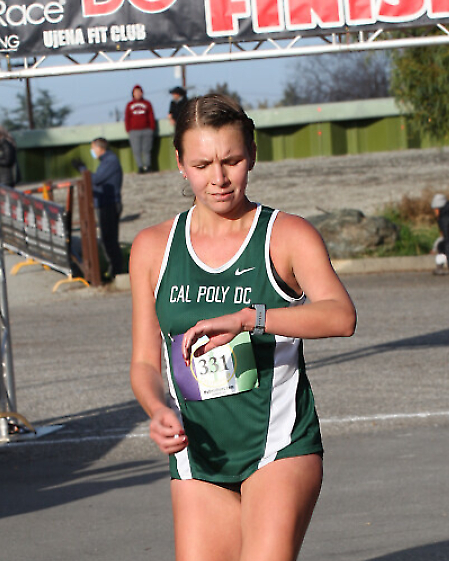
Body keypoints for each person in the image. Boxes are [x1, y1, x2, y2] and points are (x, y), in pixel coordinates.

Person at [130, 94, 357, 561]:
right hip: (199, 453)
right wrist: (156, 408)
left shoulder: (286, 234)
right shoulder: (153, 248)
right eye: (202, 165)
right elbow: (144, 362)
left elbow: (341, 315)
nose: (218, 178)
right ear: (180, 164)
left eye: (231, 160)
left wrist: (249, 319)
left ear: (251, 154)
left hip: (278, 446)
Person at [90, 138, 124, 279]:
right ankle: (114, 270)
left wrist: (83, 170)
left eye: (93, 148)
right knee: (107, 238)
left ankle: (116, 271)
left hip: (109, 204)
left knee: (109, 239)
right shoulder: (107, 161)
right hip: (105, 204)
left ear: (99, 148)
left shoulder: (110, 161)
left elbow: (96, 179)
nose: (92, 151)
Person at [124, 84, 155, 174]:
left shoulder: (147, 103)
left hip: (147, 130)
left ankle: (148, 166)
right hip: (134, 131)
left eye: (139, 92)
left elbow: (151, 116)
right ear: (133, 94)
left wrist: (152, 128)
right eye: (136, 92)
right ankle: (140, 167)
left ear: (142, 93)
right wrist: (128, 129)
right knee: (136, 150)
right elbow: (127, 118)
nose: (137, 94)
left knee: (146, 150)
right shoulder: (129, 105)